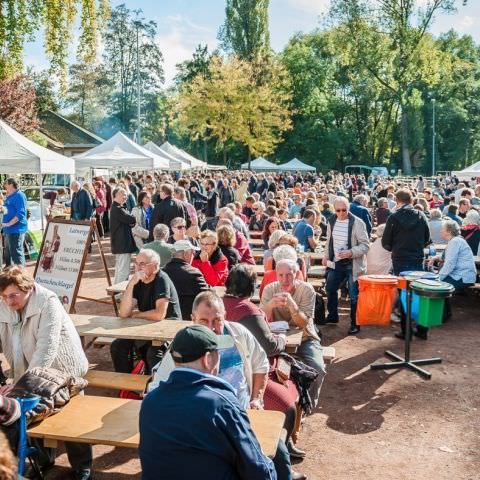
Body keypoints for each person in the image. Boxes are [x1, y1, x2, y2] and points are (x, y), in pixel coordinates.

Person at [139, 324, 277, 480]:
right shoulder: (221, 403)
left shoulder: (151, 400)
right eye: (218, 353)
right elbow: (258, 469)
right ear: (207, 359)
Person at [0, 266, 91, 479]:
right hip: (28, 370)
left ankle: (82, 465)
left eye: (14, 295)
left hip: (63, 370)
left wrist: (24, 383)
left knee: (72, 418)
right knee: (32, 413)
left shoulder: (48, 301)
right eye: (4, 296)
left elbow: (46, 348)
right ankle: (43, 458)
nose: (9, 301)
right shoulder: (4, 304)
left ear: (29, 288)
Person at [261, 259, 326, 408]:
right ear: (276, 275)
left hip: (305, 337)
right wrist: (270, 305)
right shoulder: (270, 289)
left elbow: (303, 323)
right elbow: (262, 318)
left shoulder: (307, 290)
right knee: (262, 367)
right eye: (281, 275)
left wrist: (292, 305)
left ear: (296, 274)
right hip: (276, 339)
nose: (285, 280)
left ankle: (307, 406)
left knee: (318, 368)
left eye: (289, 275)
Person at [111, 249, 182, 374]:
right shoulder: (138, 280)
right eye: (136, 263)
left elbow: (159, 314)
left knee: (153, 353)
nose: (138, 267)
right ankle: (126, 386)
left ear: (155, 266)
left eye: (142, 264)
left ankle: (152, 388)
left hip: (168, 329)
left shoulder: (161, 279)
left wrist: (138, 314)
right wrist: (132, 284)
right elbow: (123, 313)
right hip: (146, 326)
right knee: (118, 346)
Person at [382, 189, 431, 340]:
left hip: (401, 260)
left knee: (404, 294)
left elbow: (385, 242)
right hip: (417, 258)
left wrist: (396, 248)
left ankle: (406, 331)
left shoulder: (394, 217)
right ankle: (422, 330)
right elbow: (427, 239)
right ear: (411, 201)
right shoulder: (421, 215)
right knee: (420, 294)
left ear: (397, 201)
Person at [322, 197, 370, 335]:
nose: (342, 213)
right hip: (336, 262)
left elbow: (366, 245)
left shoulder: (357, 223)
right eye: (338, 210)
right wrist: (326, 256)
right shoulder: (331, 220)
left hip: (353, 264)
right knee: (330, 289)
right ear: (334, 210)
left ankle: (355, 324)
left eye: (344, 210)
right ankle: (332, 316)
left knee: (354, 295)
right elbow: (329, 242)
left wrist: (351, 252)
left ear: (348, 209)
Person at [429, 220, 477, 321]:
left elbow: (450, 264)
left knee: (439, 286)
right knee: (440, 284)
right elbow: (446, 257)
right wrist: (435, 258)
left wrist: (439, 277)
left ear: (449, 231)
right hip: (463, 275)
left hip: (464, 276)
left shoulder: (455, 241)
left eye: (443, 229)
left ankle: (443, 315)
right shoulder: (455, 240)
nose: (441, 231)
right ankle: (446, 314)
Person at [163, 240, 210, 319]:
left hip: (166, 319)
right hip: (189, 320)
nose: (193, 255)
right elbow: (206, 296)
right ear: (186, 254)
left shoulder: (163, 272)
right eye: (193, 253)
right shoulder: (194, 273)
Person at [110, 187, 137, 284]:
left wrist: (131, 220)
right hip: (122, 244)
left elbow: (131, 221)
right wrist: (132, 220)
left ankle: (116, 291)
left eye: (125, 194)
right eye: (123, 194)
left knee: (120, 269)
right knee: (123, 270)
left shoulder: (120, 208)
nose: (125, 197)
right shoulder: (117, 209)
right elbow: (131, 219)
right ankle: (119, 293)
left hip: (121, 244)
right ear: (115, 196)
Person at [2, 178, 28, 266]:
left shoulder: (19, 195)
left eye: (5, 184)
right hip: (8, 230)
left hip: (16, 230)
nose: (4, 186)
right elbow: (7, 210)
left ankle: (21, 277)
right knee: (9, 253)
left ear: (11, 184)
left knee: (16, 255)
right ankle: (11, 275)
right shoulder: (10, 196)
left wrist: (9, 223)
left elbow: (21, 214)